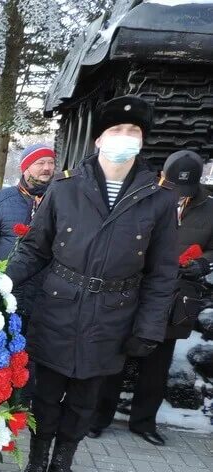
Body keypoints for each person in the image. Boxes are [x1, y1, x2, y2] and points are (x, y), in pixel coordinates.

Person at [6, 95, 178, 472]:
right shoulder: (65, 188)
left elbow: (162, 273)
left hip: (112, 317)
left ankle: (63, 466)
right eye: (116, 131)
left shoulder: (159, 198)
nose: (124, 138)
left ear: (142, 141)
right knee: (45, 395)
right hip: (59, 307)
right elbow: (34, 250)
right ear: (99, 139)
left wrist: (149, 327)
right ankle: (36, 463)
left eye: (133, 132)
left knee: (85, 401)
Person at [89, 150, 213, 446]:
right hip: (134, 287)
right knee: (117, 354)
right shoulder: (147, 196)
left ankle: (144, 422)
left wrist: (204, 262)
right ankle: (98, 417)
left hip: (178, 293)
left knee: (158, 360)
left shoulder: (210, 208)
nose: (179, 197)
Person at [0, 143, 56, 326]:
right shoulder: (2, 200)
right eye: (40, 162)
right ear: (25, 167)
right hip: (8, 291)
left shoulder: (61, 200)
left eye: (51, 162)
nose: (47, 168)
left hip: (46, 298)